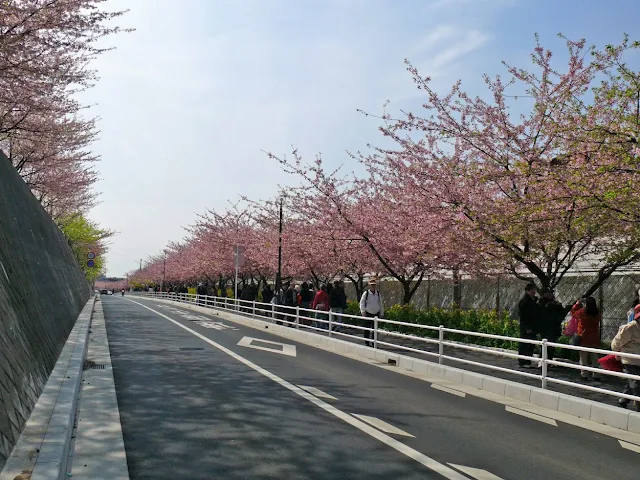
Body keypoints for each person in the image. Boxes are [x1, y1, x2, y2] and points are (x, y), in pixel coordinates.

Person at [611, 304, 640, 411]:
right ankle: (638, 405)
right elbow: (615, 344)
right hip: (630, 360)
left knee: (632, 381)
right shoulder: (629, 328)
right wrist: (618, 353)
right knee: (636, 383)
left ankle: (623, 400)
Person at [572, 296, 602, 380]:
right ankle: (596, 374)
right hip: (594, 337)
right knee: (595, 358)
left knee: (583, 357)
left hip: (584, 337)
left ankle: (584, 374)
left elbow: (573, 313)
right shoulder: (598, 313)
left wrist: (577, 304)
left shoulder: (582, 312)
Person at [538, 288, 572, 362]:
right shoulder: (541, 303)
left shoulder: (555, 303)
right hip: (545, 327)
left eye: (551, 293)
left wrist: (565, 308)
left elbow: (562, 313)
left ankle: (549, 360)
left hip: (554, 327)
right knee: (545, 345)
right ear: (544, 294)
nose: (551, 294)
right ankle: (542, 361)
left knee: (552, 345)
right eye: (549, 293)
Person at [517, 283, 539, 368]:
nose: (534, 291)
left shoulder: (534, 300)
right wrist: (527, 327)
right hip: (526, 326)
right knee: (525, 343)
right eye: (532, 290)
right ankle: (522, 361)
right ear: (527, 291)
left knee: (531, 344)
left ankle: (528, 361)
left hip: (533, 325)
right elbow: (523, 316)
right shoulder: (524, 302)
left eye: (534, 290)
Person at [359, 279, 383, 347]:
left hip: (376, 313)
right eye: (372, 285)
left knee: (374, 330)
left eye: (374, 285)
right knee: (367, 329)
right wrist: (363, 311)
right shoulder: (366, 293)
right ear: (369, 285)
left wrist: (381, 313)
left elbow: (380, 304)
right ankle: (367, 342)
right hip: (368, 313)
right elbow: (362, 303)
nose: (373, 286)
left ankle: (373, 343)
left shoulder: (378, 294)